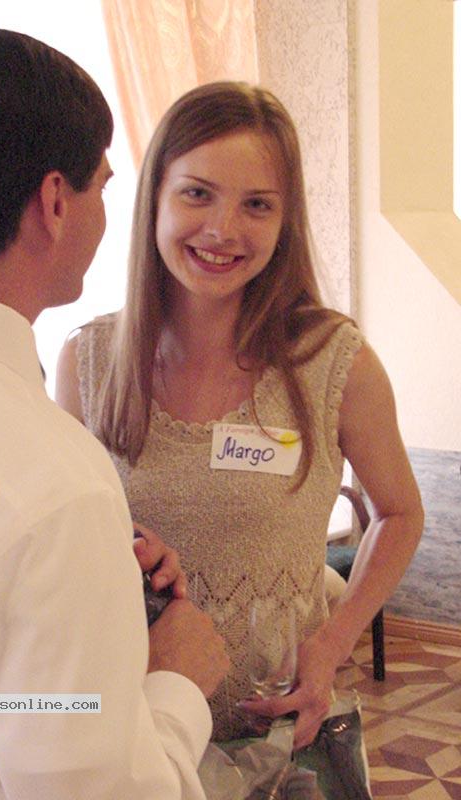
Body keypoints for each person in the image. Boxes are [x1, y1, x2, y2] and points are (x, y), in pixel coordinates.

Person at [0, 29, 229, 800]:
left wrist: (93, 579)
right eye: (103, 186)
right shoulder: (51, 488)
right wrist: (175, 683)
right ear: (56, 203)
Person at [56, 82, 424, 749]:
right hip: (133, 734)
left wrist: (332, 643)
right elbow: (69, 546)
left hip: (277, 738)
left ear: (285, 221)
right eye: (197, 193)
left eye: (257, 204)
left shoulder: (332, 362)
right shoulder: (89, 363)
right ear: (155, 199)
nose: (223, 229)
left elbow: (400, 513)